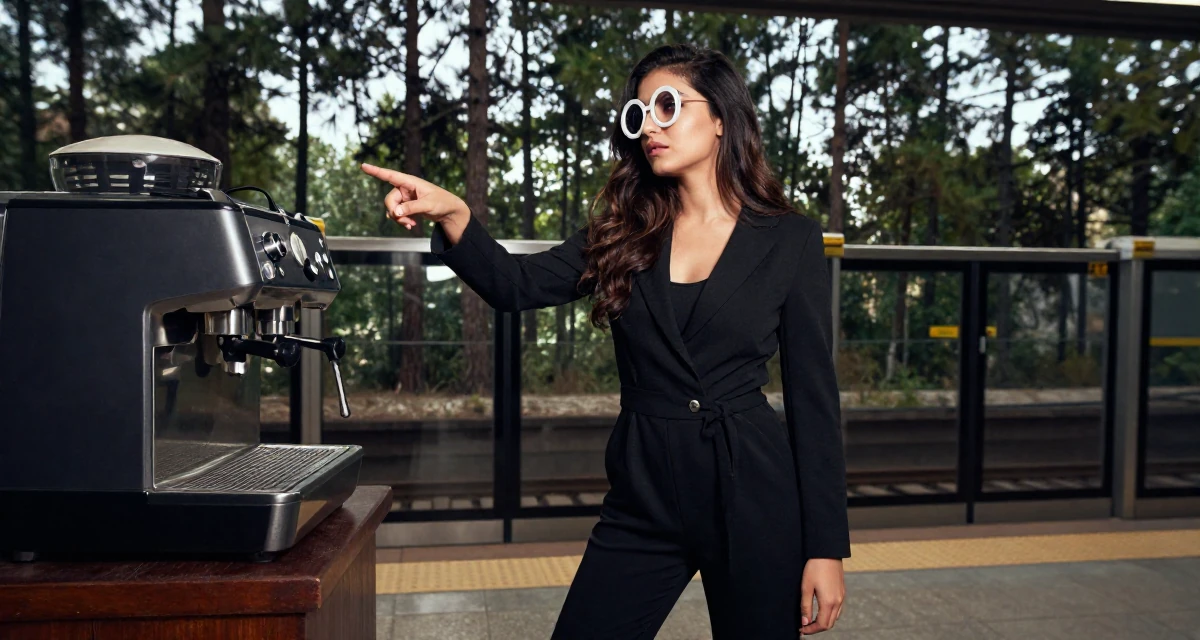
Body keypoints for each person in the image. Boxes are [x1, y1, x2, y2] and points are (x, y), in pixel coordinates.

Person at [362, 43, 848, 639]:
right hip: (645, 488)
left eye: (667, 106)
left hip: (752, 491)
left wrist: (826, 547)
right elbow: (517, 285)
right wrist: (456, 216)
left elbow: (814, 402)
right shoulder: (625, 229)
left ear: (721, 117)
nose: (651, 127)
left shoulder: (790, 240)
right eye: (639, 114)